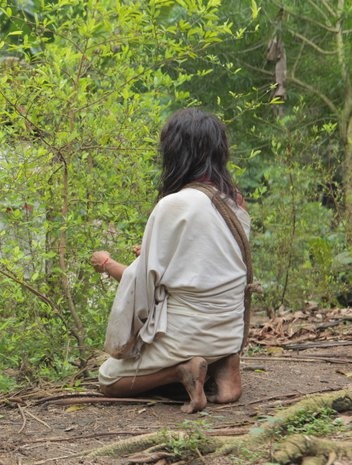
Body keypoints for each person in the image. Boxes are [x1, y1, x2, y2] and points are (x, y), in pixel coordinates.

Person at [90, 108, 250, 413]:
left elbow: (141, 286)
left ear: (175, 153)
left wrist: (107, 264)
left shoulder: (174, 204)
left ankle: (181, 371)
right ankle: (226, 365)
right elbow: (212, 266)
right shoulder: (235, 202)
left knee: (109, 378)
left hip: (192, 333)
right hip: (231, 331)